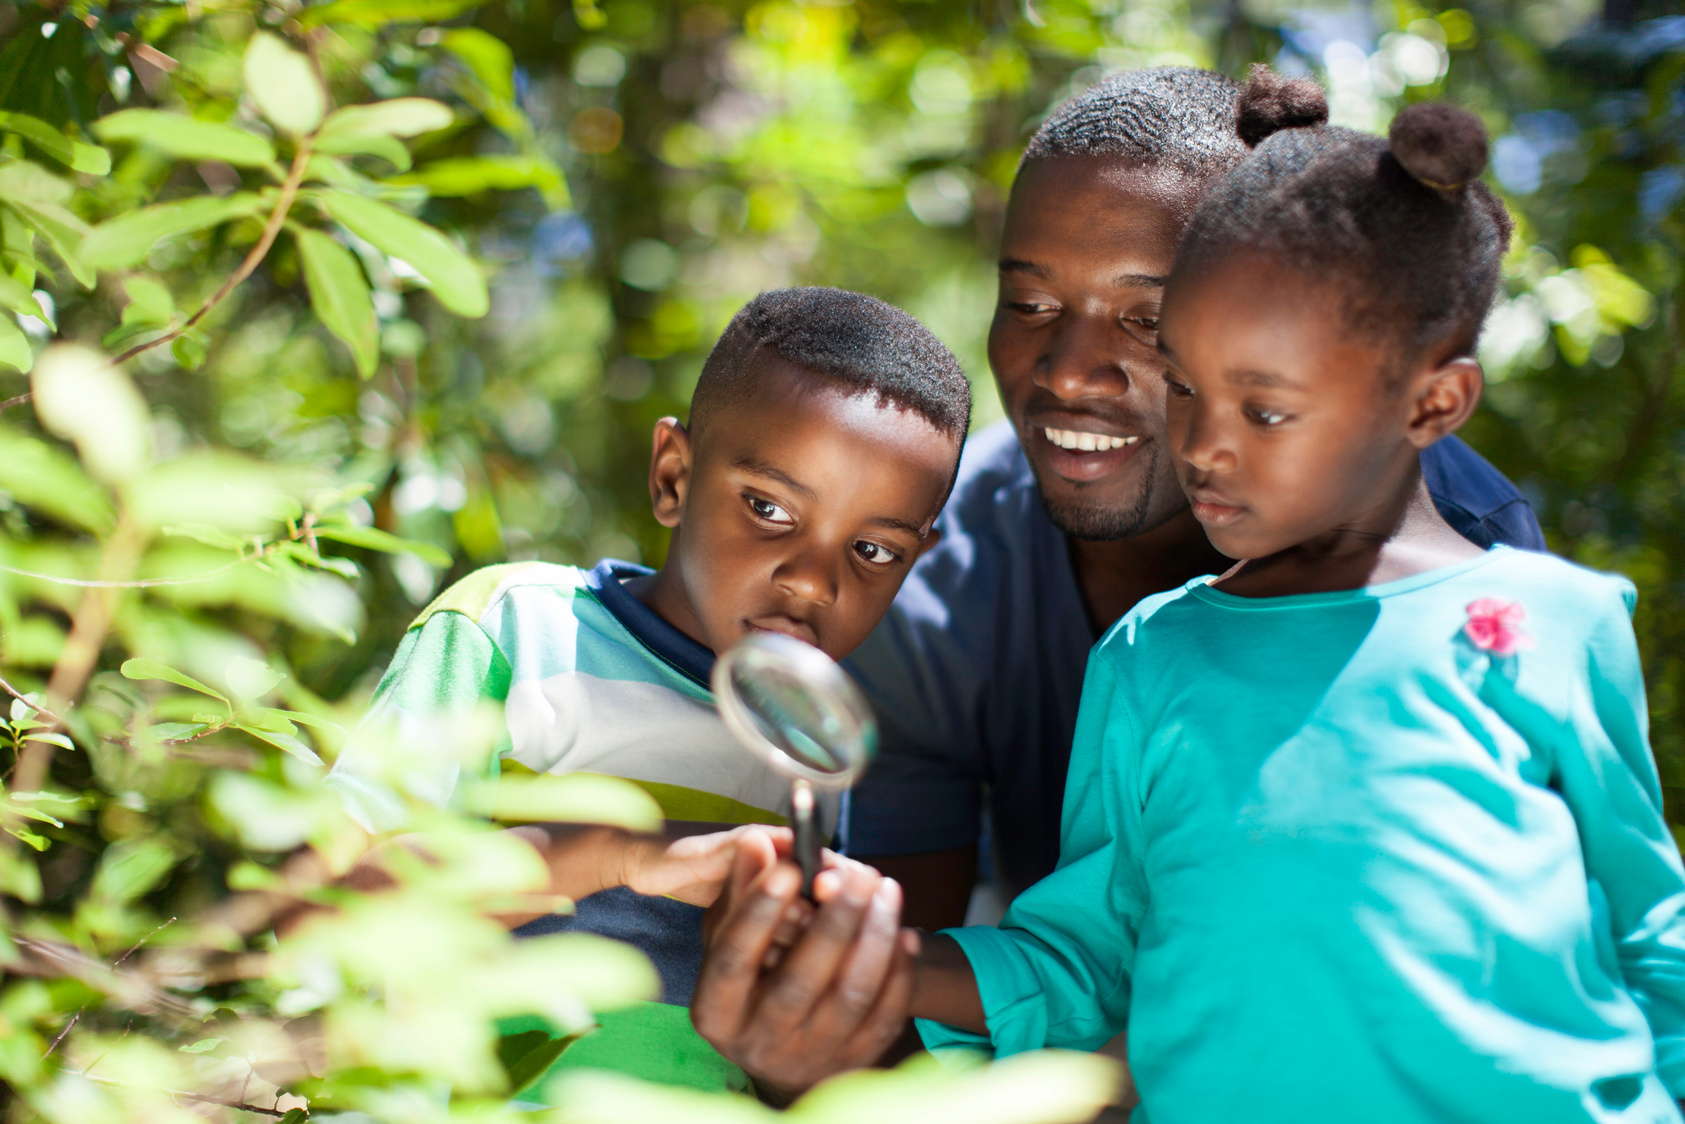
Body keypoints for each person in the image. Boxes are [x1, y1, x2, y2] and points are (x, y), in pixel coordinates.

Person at [908, 74, 1685, 1122]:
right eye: (1181, 384)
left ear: (1433, 401)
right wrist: (887, 961)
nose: (1202, 443)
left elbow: (1648, 927)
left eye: (1263, 410)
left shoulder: (1547, 620)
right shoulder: (1148, 657)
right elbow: (1086, 958)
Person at [840, 66, 1547, 929]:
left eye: (1146, 320)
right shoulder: (930, 576)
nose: (1066, 370)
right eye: (1029, 302)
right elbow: (909, 968)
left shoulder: (1460, 555)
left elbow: (1535, 918)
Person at [323, 287, 968, 1095]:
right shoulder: (523, 632)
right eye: (769, 508)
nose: (811, 581)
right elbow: (338, 897)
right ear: (672, 475)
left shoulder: (818, 740)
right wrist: (621, 855)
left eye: (874, 551)